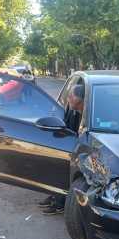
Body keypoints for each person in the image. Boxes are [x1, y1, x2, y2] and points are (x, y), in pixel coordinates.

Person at [40, 84, 85, 216]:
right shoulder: (71, 108)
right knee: (53, 166)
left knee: (65, 172)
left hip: (81, 149)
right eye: (69, 95)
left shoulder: (90, 112)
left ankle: (61, 202)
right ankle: (55, 196)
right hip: (68, 144)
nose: (68, 98)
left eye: (71, 96)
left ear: (81, 99)